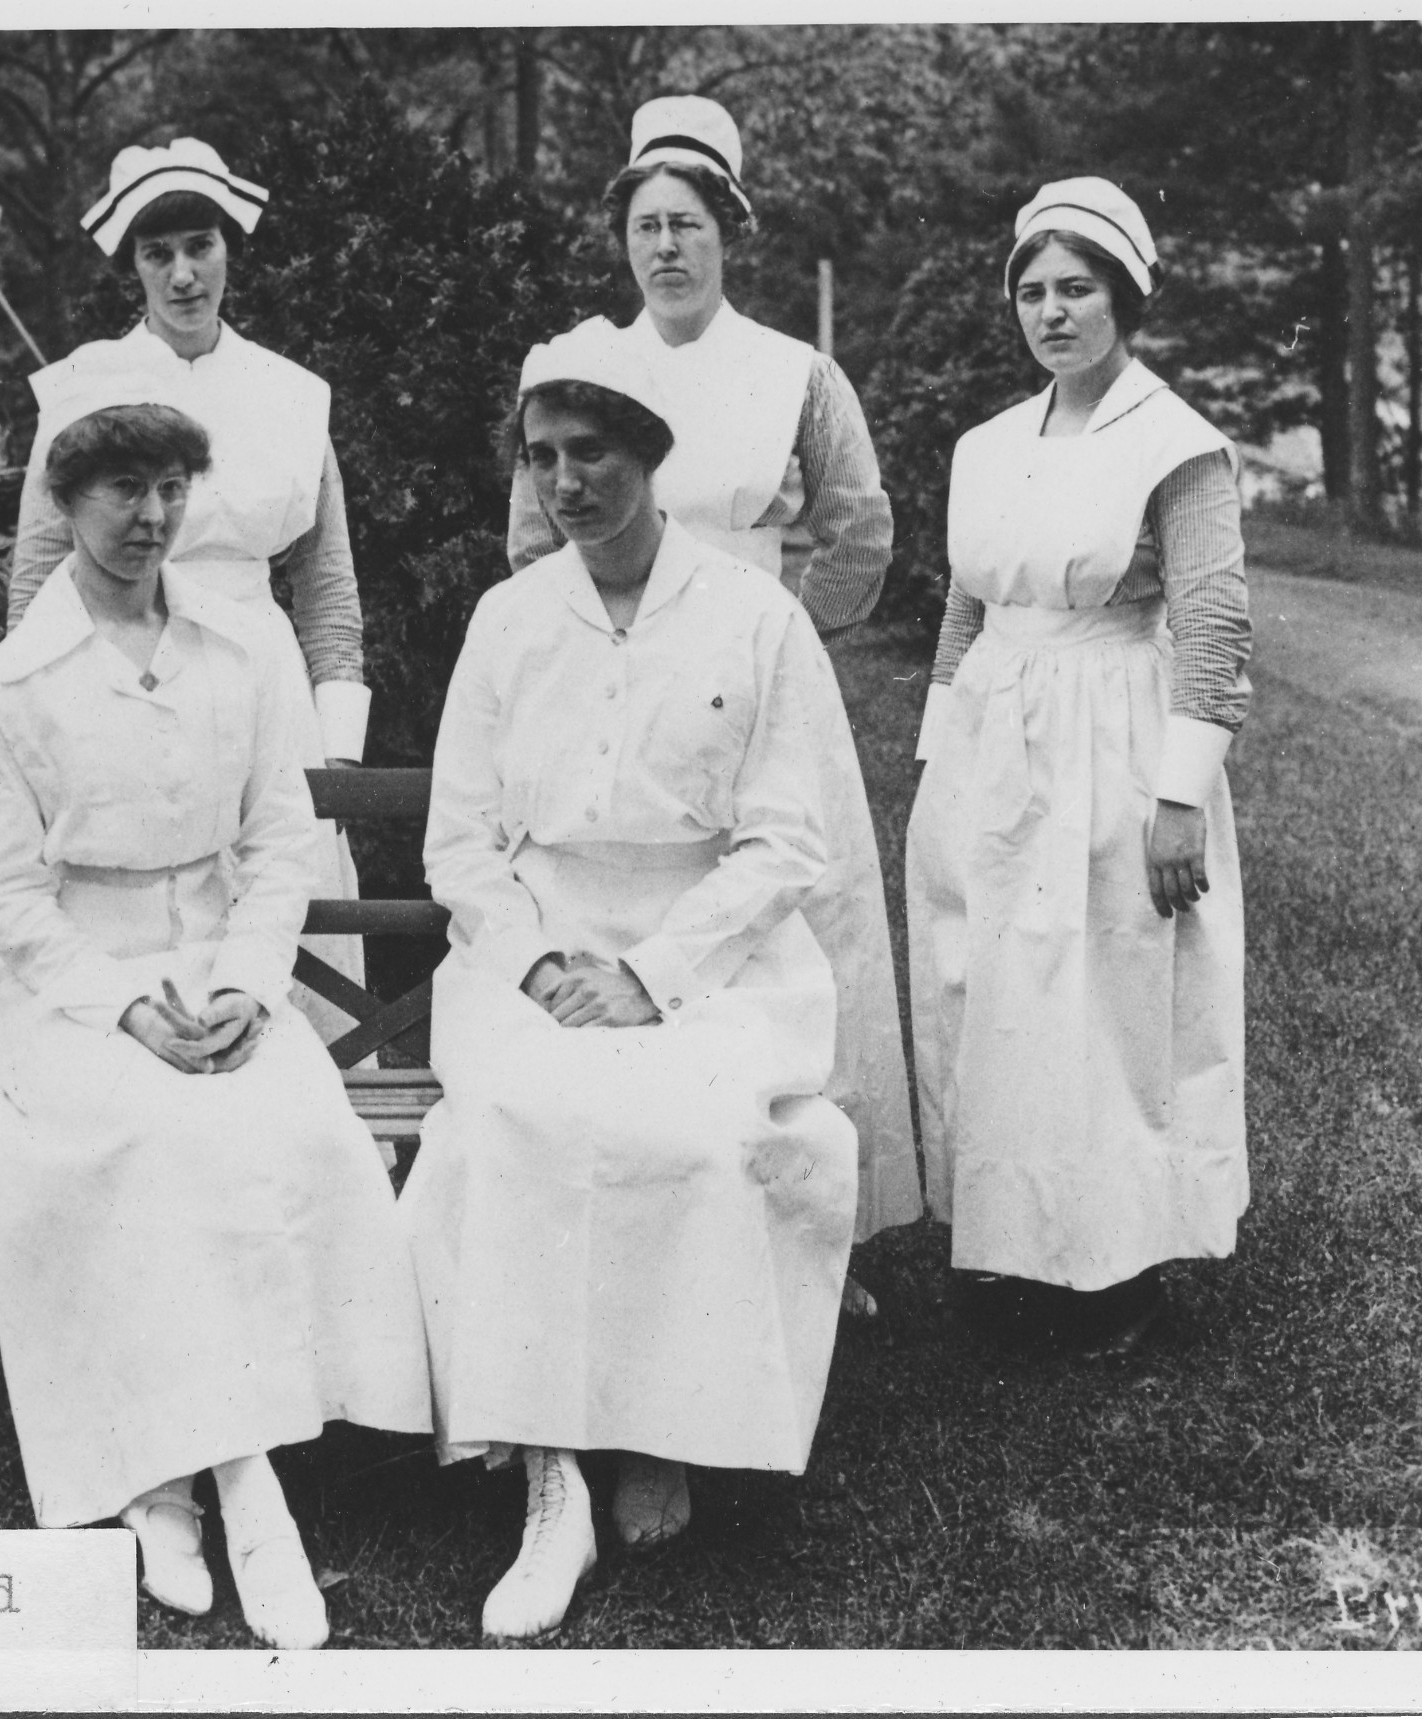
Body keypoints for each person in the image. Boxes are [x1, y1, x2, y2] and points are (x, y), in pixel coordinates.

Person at [0, 376, 430, 1651]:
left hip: (221, 978)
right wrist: (128, 1011)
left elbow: (277, 846)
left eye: (170, 490)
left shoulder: (238, 650)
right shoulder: (16, 680)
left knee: (286, 1122)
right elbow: (10, 898)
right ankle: (242, 1494)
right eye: (124, 491)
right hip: (78, 997)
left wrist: (249, 987)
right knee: (158, 1141)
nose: (152, 517)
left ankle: (171, 1479)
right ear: (66, 501)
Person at [404, 324, 861, 1640]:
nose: (565, 482)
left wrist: (655, 974)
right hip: (533, 951)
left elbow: (787, 838)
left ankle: (660, 1428)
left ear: (653, 457)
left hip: (713, 955)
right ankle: (551, 1476)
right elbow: (459, 843)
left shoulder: (754, 616)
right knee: (512, 1123)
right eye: (542, 456)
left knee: (694, 1130)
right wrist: (544, 960)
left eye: (593, 452)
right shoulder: (509, 619)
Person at [509, 94, 920, 1288]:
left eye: (687, 223)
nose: (667, 247)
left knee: (791, 927)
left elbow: (861, 529)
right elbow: (533, 536)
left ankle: (812, 1226)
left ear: (728, 231)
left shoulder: (796, 372)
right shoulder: (579, 365)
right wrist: (590, 648)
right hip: (611, 676)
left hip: (756, 675)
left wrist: (783, 634)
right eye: (646, 225)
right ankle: (644, 1206)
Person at [906, 177, 1250, 1356]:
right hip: (994, 732)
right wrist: (940, 760)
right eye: (1033, 292)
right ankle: (1007, 1247)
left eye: (1078, 289)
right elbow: (966, 606)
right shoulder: (989, 445)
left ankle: (1114, 1268)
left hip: (1115, 735)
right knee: (996, 992)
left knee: (1104, 997)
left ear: (1126, 299)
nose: (1052, 312)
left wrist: (1178, 798)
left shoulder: (1175, 443)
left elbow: (1213, 623)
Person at [10, 137, 373, 1049]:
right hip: (118, 669)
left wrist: (337, 748)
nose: (182, 275)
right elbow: (37, 569)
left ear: (228, 250)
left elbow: (326, 582)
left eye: (200, 246)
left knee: (283, 905)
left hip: (260, 676)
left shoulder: (291, 394)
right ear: (132, 265)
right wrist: (39, 723)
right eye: (157, 252)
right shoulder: (84, 387)